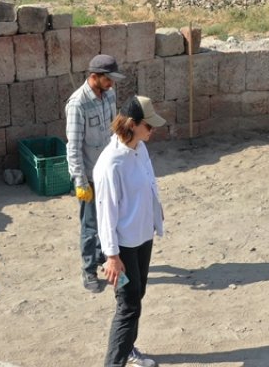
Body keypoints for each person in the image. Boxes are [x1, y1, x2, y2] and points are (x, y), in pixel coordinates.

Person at [96, 95, 167, 367]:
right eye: (148, 125)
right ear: (132, 124)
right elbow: (105, 214)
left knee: (137, 296)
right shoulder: (110, 164)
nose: (153, 129)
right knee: (128, 307)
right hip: (123, 248)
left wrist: (155, 209)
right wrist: (112, 256)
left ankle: (128, 350)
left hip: (143, 239)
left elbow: (149, 181)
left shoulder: (140, 148)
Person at [66, 54, 125, 293]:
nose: (112, 83)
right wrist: (80, 181)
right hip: (89, 176)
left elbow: (114, 129)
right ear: (94, 77)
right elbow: (73, 146)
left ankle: (104, 256)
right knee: (90, 226)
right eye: (108, 79)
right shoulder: (77, 104)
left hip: (108, 172)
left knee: (110, 219)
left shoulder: (109, 95)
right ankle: (89, 270)